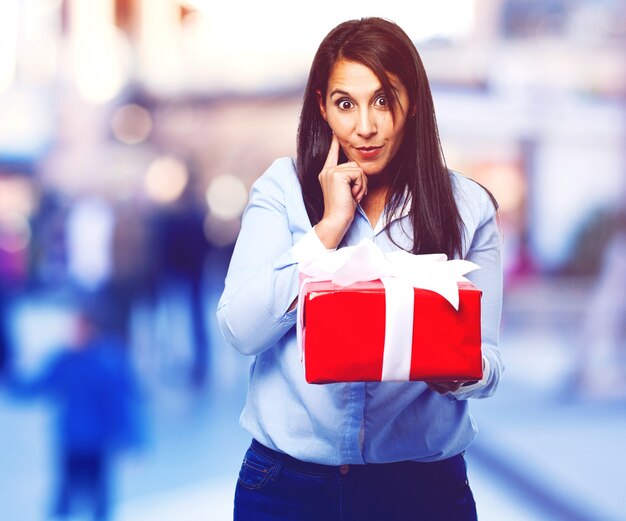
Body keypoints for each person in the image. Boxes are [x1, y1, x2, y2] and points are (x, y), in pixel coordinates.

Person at [217, 17, 503, 521]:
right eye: (345, 103)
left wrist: (452, 370)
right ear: (322, 107)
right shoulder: (283, 190)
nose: (365, 126)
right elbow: (240, 330)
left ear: (412, 102)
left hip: (420, 489)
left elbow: (490, 364)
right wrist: (328, 229)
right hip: (288, 486)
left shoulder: (468, 206)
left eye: (384, 100)